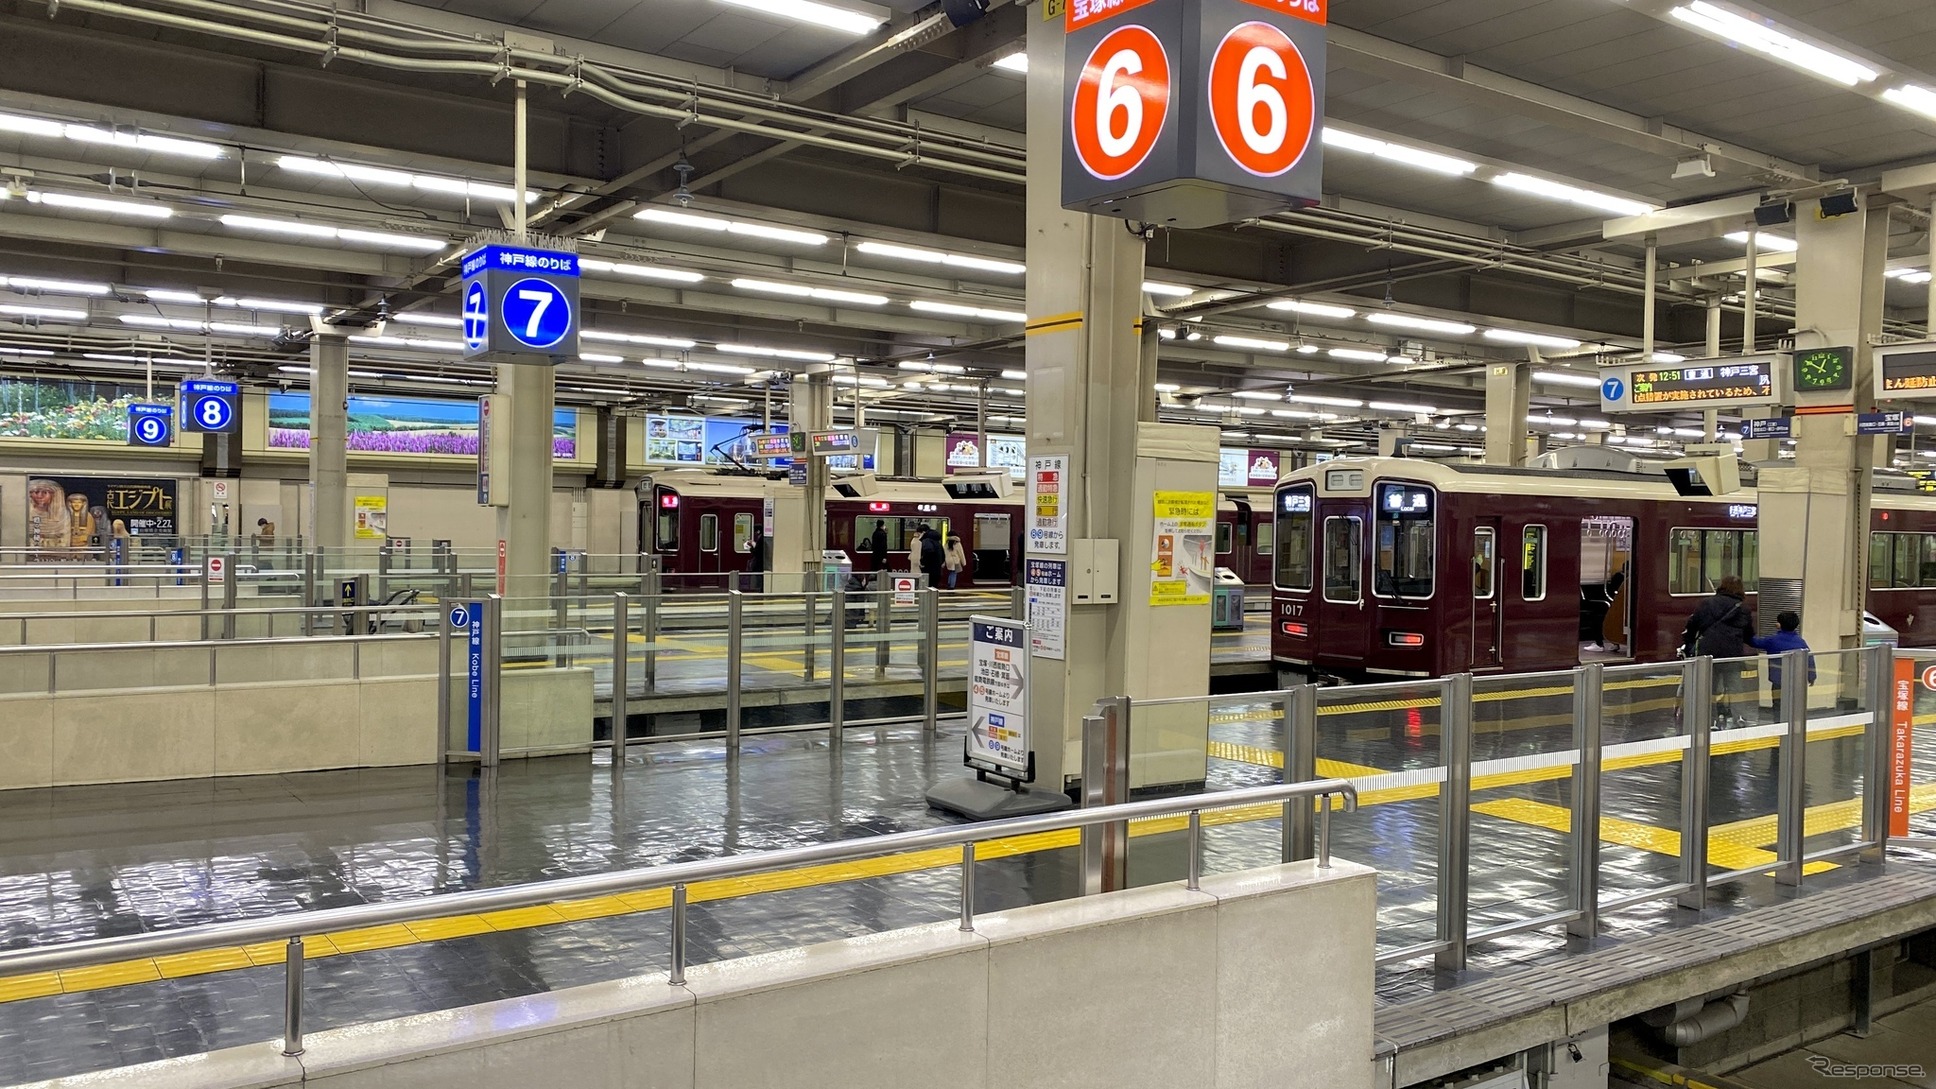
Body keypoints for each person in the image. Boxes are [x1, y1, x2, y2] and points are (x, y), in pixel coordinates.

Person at [1683, 575, 1756, 724]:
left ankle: (1711, 720)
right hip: (1732, 653)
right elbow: (1748, 634)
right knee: (1735, 686)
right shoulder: (1743, 608)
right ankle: (1739, 717)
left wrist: (1689, 643)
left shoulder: (1706, 603)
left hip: (1708, 651)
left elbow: (1693, 625)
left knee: (1709, 687)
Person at [1752, 610, 1815, 720]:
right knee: (1795, 706)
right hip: (1797, 682)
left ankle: (1779, 726)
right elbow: (1809, 659)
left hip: (1778, 681)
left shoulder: (1772, 641)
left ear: (1779, 625)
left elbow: (1754, 642)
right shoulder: (1801, 641)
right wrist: (1811, 676)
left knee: (1778, 706)